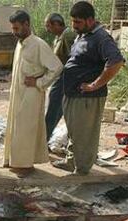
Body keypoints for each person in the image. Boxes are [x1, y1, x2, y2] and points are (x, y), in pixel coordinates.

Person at [52, 1, 124, 175]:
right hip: (73, 94)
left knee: (85, 134)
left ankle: (82, 172)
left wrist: (95, 85)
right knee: (74, 131)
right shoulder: (83, 35)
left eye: (78, 22)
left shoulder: (101, 38)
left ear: (90, 20)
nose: (73, 26)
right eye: (73, 21)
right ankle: (71, 161)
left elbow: (116, 61)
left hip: (87, 97)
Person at [3, 10, 63, 178]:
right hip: (17, 93)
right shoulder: (20, 43)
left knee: (26, 129)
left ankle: (25, 165)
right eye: (12, 29)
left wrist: (39, 83)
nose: (14, 32)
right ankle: (14, 161)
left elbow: (56, 67)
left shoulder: (38, 44)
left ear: (27, 24)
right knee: (16, 127)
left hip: (31, 93)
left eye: (17, 28)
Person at [44, 13, 77, 141]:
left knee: (54, 108)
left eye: (49, 25)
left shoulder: (68, 36)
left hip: (65, 77)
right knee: (56, 109)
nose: (47, 29)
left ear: (57, 24)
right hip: (61, 77)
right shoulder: (59, 37)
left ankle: (44, 140)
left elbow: (74, 58)